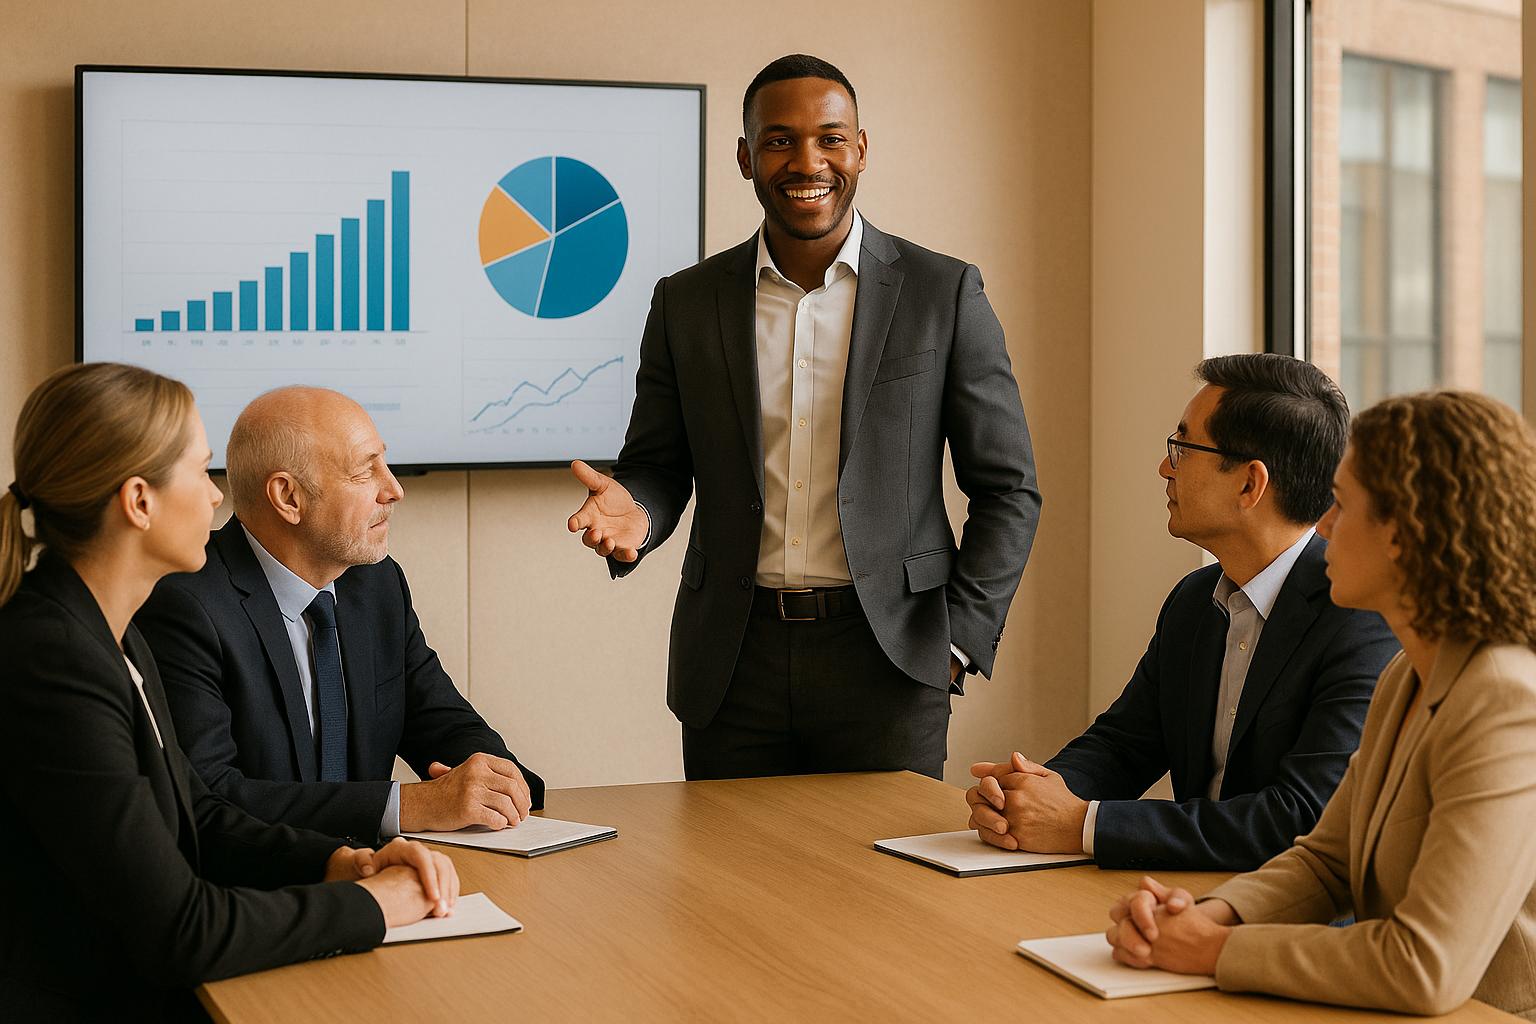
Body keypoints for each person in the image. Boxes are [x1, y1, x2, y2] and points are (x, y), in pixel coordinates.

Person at [564, 54, 1040, 780]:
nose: (807, 160)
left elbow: (1009, 489)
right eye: (780, 140)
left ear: (861, 150)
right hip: (733, 659)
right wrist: (641, 515)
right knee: (731, 889)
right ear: (745, 156)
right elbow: (657, 465)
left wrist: (958, 641)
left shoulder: (941, 292)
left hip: (889, 657)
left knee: (884, 889)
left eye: (830, 138)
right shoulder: (686, 302)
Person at [0, 363, 457, 1019]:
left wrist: (342, 863)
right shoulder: (56, 661)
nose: (218, 499)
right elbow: (179, 932)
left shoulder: (108, 634)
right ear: (139, 501)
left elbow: (201, 818)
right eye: (202, 471)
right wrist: (372, 905)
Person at [1106, 390, 1536, 1020]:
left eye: (1342, 503)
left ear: (1406, 531)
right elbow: (1325, 860)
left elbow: (1424, 967)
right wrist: (1203, 916)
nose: (1324, 524)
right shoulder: (1405, 678)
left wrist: (1215, 951)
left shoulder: (1504, 700)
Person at [966, 354, 1398, 870]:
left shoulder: (1358, 617)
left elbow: (1301, 819)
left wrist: (1082, 825)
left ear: (1249, 485)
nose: (1164, 467)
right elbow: (1124, 746)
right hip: (1180, 892)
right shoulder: (1194, 601)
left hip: (1290, 923)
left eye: (1182, 448)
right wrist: (1028, 795)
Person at [135, 386, 542, 845]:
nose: (394, 490)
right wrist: (411, 805)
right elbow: (211, 798)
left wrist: (498, 783)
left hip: (382, 878)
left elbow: (442, 720)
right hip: (264, 893)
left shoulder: (376, 583)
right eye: (365, 473)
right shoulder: (183, 602)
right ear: (288, 497)